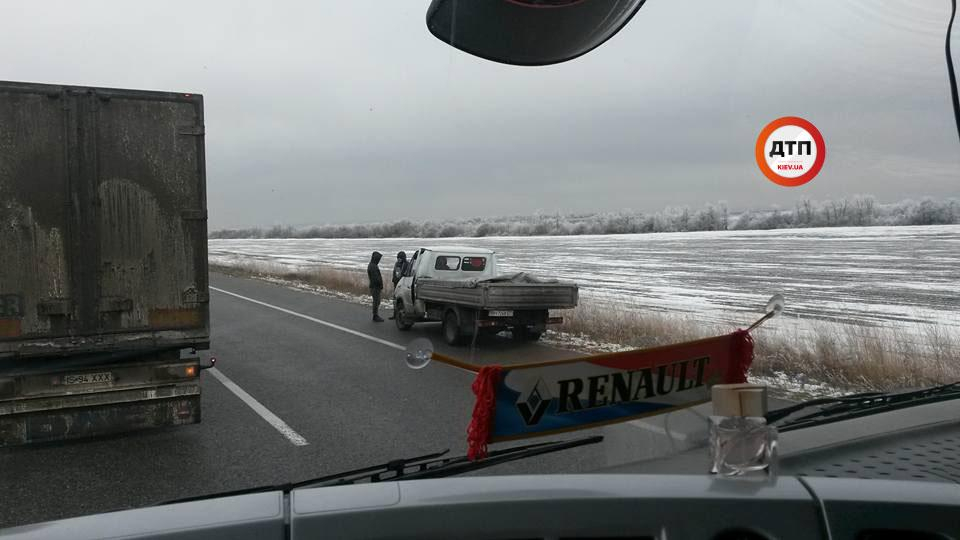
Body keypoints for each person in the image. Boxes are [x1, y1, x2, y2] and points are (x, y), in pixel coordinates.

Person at [388, 251, 407, 320]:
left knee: (402, 300)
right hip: (396, 284)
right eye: (398, 258)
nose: (398, 259)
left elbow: (405, 274)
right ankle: (395, 314)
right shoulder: (397, 263)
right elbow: (394, 272)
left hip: (403, 285)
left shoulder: (406, 264)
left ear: (403, 258)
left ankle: (401, 315)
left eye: (400, 258)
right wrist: (394, 280)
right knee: (395, 299)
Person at [367, 251, 384, 322]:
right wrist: (380, 284)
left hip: (375, 286)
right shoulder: (373, 266)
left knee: (377, 301)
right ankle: (375, 315)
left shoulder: (373, 265)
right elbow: (375, 278)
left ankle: (375, 314)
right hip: (375, 287)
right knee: (376, 301)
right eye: (378, 259)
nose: (379, 260)